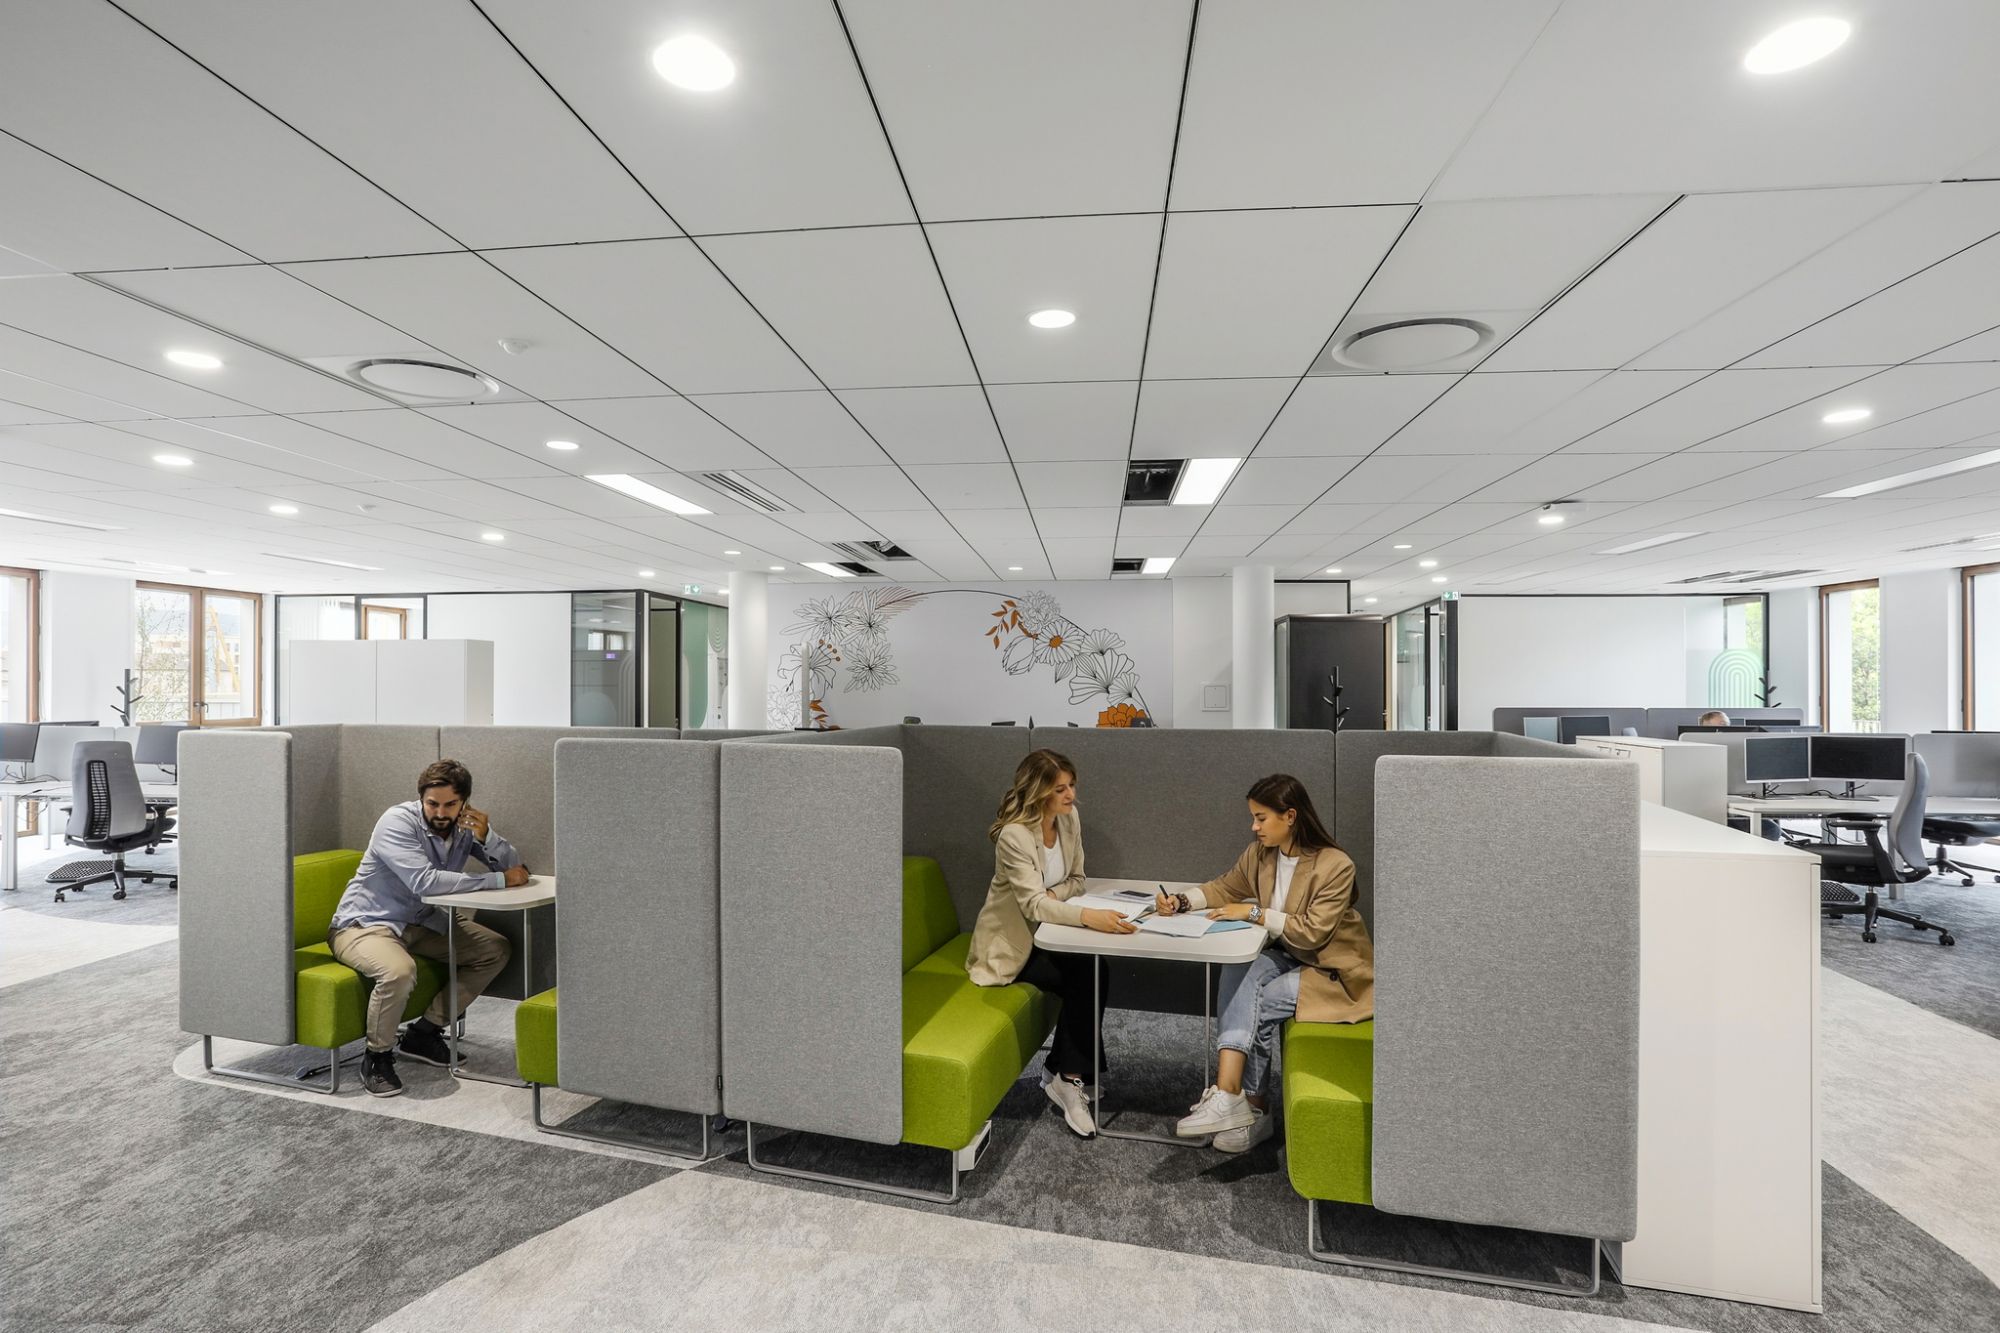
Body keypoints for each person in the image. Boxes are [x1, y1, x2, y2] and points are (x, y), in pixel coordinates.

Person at [1158, 774, 1373, 1153]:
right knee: (1239, 970)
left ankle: (1253, 1108)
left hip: (1332, 970)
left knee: (1257, 1005)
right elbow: (1226, 887)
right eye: (1253, 818)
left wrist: (1255, 912)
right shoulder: (1260, 854)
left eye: (1261, 818)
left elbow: (1312, 934)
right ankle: (1231, 1097)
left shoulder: (1335, 865)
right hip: (1289, 955)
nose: (1253, 827)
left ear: (1290, 816)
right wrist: (1181, 901)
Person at [966, 749, 1136, 1137]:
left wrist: (1053, 897)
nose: (1070, 795)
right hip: (1013, 947)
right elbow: (1031, 905)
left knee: (1095, 967)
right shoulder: (1014, 836)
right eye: (1060, 789)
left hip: (1050, 934)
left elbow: (1077, 880)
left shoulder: (1068, 820)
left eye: (1071, 785)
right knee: (1086, 975)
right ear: (1038, 791)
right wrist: (1087, 916)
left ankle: (1064, 1073)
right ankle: (1071, 1078)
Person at [329, 759, 524, 1097]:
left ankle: (424, 1033)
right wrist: (498, 880)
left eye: (450, 804)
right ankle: (376, 1057)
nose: (440, 813)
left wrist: (488, 837)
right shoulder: (397, 822)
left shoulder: (464, 827)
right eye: (432, 804)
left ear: (464, 802)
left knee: (494, 950)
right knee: (398, 971)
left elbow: (516, 868)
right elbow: (425, 882)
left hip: (421, 922)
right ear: (421, 798)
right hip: (365, 924)